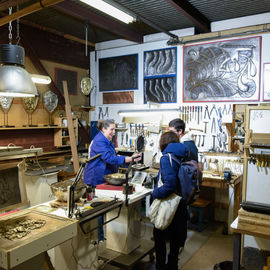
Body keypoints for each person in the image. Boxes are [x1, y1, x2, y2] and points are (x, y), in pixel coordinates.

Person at [83, 119, 141, 240]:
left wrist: (127, 158)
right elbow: (109, 158)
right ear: (104, 129)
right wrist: (128, 159)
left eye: (114, 129)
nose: (114, 132)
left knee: (103, 208)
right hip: (95, 178)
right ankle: (97, 238)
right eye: (112, 129)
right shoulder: (99, 141)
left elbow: (114, 156)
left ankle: (102, 236)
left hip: (103, 177)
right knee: (97, 210)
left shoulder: (106, 140)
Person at [152, 131, 189, 270]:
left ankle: (161, 267)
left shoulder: (166, 158)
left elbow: (170, 184)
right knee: (175, 242)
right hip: (181, 205)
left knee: (159, 238)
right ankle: (172, 266)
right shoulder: (184, 155)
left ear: (163, 142)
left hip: (169, 206)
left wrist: (155, 193)